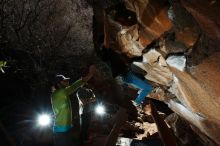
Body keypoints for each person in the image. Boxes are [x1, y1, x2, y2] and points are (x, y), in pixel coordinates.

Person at [51, 65, 96, 146]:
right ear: (59, 83)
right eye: (64, 81)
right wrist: (90, 74)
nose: (67, 82)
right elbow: (75, 86)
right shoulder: (61, 93)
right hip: (61, 131)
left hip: (65, 128)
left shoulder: (61, 93)